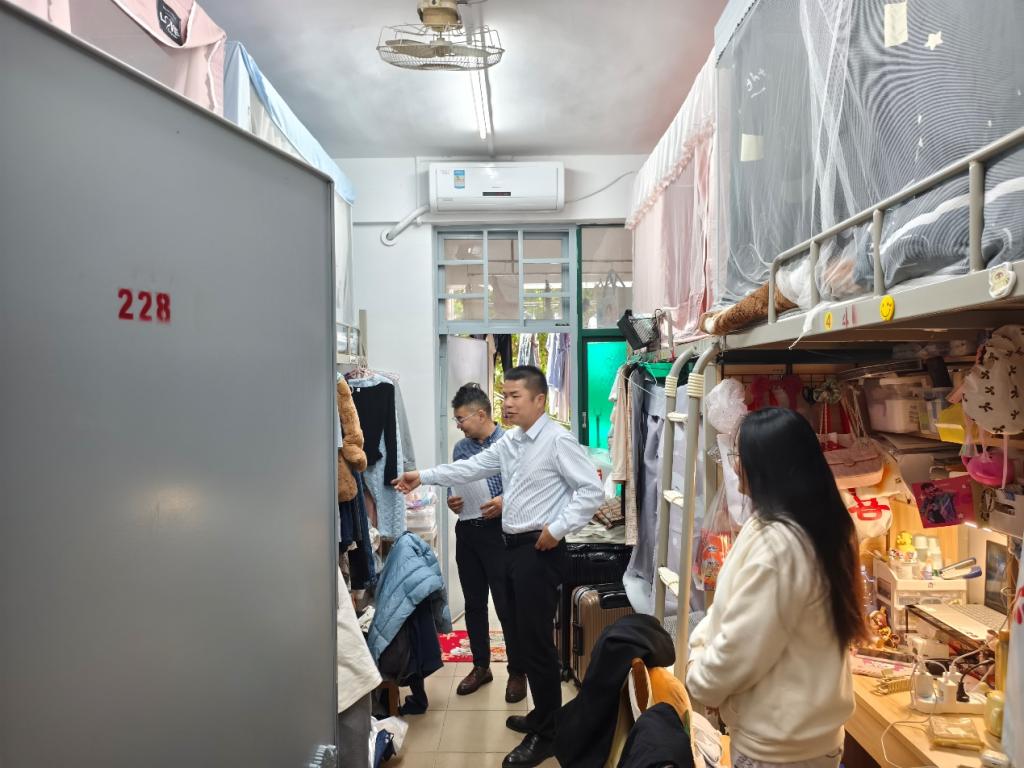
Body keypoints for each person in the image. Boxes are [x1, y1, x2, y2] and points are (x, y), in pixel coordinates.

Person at [393, 366, 604, 768]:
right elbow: (469, 469)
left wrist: (557, 529)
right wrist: (423, 476)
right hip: (516, 549)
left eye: (515, 396)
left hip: (539, 549)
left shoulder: (557, 440)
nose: (506, 403)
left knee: (537, 644)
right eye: (504, 395)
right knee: (525, 635)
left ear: (539, 400)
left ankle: (548, 735)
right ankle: (542, 716)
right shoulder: (514, 441)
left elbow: (591, 490)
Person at [686, 407, 867, 768]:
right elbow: (731, 610)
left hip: (779, 750)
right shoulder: (810, 523)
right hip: (798, 740)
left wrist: (700, 677)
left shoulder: (780, 546)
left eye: (741, 456)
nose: (736, 465)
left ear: (767, 466)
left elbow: (741, 648)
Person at [445, 383, 527, 703]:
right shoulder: (460, 449)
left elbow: (527, 486)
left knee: (507, 604)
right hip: (468, 532)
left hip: (500, 533)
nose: (459, 425)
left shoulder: (511, 444)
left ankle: (517, 671)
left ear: (481, 415)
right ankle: (481, 666)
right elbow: (455, 486)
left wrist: (504, 501)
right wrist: (452, 501)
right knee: (474, 604)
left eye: (461, 419)